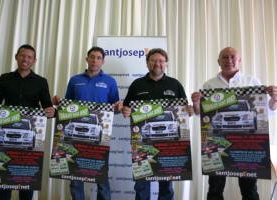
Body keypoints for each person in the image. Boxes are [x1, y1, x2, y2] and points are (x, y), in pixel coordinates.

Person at [191, 46, 277, 200]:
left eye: (232, 57)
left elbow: (266, 111)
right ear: (218, 61)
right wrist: (196, 104)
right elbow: (202, 115)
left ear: (239, 60)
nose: (229, 60)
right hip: (217, 143)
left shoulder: (252, 81)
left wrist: (274, 100)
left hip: (247, 143)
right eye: (225, 57)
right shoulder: (209, 85)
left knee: (249, 189)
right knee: (215, 188)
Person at [0, 44, 55, 200]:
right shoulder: (4, 78)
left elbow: (47, 107)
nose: (25, 59)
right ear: (16, 57)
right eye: (22, 55)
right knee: (3, 179)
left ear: (34, 60)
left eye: (29, 57)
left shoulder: (41, 82)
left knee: (26, 182)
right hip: (5, 135)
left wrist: (53, 112)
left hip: (28, 137)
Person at [122, 48, 194, 200]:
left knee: (167, 183)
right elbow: (126, 106)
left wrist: (190, 110)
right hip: (143, 141)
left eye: (161, 61)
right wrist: (126, 110)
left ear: (166, 64)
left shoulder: (175, 84)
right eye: (153, 60)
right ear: (147, 63)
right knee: (142, 182)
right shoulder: (137, 84)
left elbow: (184, 110)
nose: (157, 64)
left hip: (169, 142)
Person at [52, 46, 122, 200]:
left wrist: (118, 107)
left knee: (101, 176)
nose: (95, 60)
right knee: (75, 176)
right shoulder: (75, 80)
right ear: (86, 59)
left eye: (98, 58)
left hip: (99, 135)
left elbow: (115, 109)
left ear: (103, 61)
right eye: (92, 57)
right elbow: (67, 107)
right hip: (75, 135)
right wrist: (58, 103)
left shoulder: (110, 81)